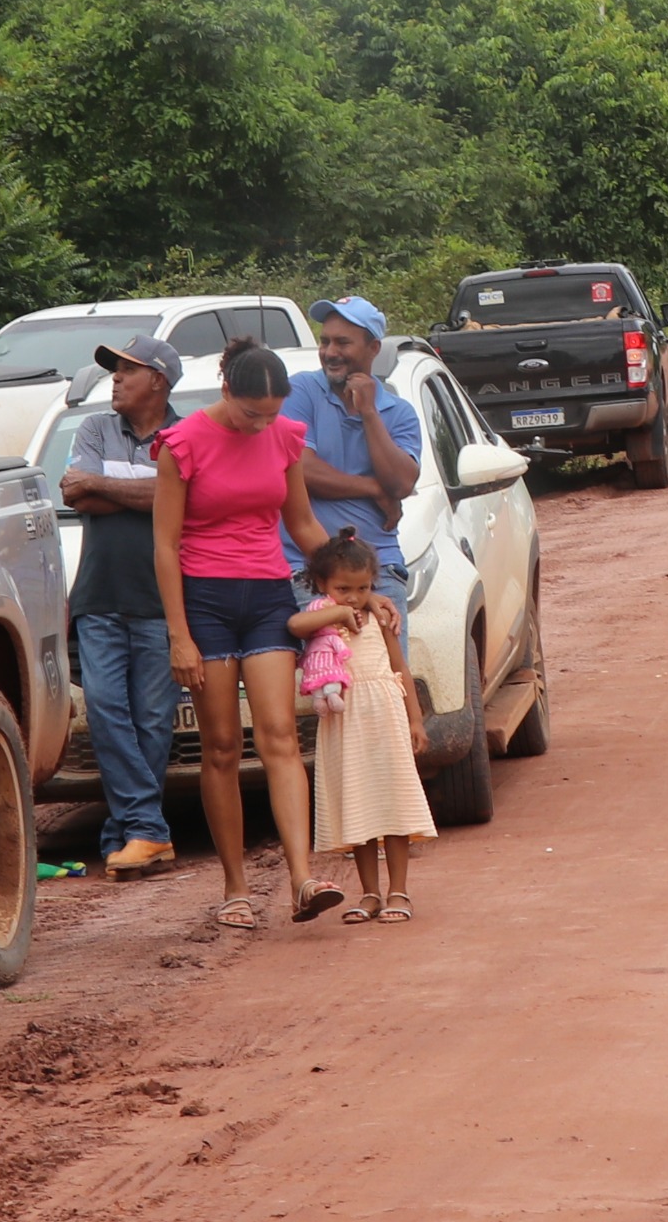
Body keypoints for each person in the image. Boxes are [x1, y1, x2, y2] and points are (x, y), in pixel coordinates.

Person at [154, 339, 348, 927]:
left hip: (267, 595)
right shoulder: (182, 443)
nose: (261, 424)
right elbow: (164, 546)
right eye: (250, 414)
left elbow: (302, 523)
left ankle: (302, 879)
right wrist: (179, 634)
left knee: (280, 737)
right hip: (204, 601)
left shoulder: (284, 436)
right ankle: (235, 888)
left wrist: (351, 585)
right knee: (220, 747)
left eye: (271, 414)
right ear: (225, 392)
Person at [55, 337, 187, 880]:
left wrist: (103, 485)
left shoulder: (186, 436)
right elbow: (75, 494)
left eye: (127, 370)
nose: (114, 378)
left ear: (158, 380)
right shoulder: (94, 428)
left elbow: (181, 500)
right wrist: (151, 491)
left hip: (161, 602)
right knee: (107, 711)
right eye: (114, 370)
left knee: (152, 721)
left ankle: (127, 832)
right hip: (99, 596)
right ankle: (148, 828)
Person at [289, 532, 433, 922]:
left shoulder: (380, 618)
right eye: (343, 589)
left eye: (363, 588)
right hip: (345, 723)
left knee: (394, 802)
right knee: (359, 807)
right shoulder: (321, 620)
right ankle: (370, 893)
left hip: (385, 717)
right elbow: (295, 623)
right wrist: (336, 613)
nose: (353, 597)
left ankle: (398, 891)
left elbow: (400, 668)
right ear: (321, 584)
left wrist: (415, 719)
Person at [281, 297, 423, 654]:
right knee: (324, 678)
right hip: (306, 570)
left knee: (386, 676)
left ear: (373, 348)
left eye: (343, 342)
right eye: (325, 341)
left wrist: (370, 413)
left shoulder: (399, 413)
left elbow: (401, 483)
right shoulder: (301, 392)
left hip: (376, 574)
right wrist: (374, 488)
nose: (330, 352)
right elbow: (302, 469)